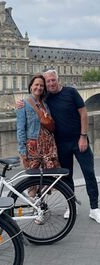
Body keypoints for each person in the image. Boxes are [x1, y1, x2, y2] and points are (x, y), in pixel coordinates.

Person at [17, 70, 100, 223]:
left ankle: (94, 208)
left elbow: (83, 113)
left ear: (58, 79)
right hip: (60, 143)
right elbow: (30, 103)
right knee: (66, 177)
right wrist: (19, 103)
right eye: (47, 82)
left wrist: (83, 136)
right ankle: (71, 206)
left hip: (79, 141)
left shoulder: (71, 92)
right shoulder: (45, 98)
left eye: (52, 80)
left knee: (89, 173)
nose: (50, 84)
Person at [16, 74, 60, 198]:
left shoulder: (45, 103)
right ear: (31, 87)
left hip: (48, 147)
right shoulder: (23, 104)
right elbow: (20, 128)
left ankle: (42, 206)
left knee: (48, 180)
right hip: (33, 147)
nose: (39, 87)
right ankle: (35, 209)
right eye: (36, 85)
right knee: (32, 181)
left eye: (41, 85)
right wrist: (22, 150)